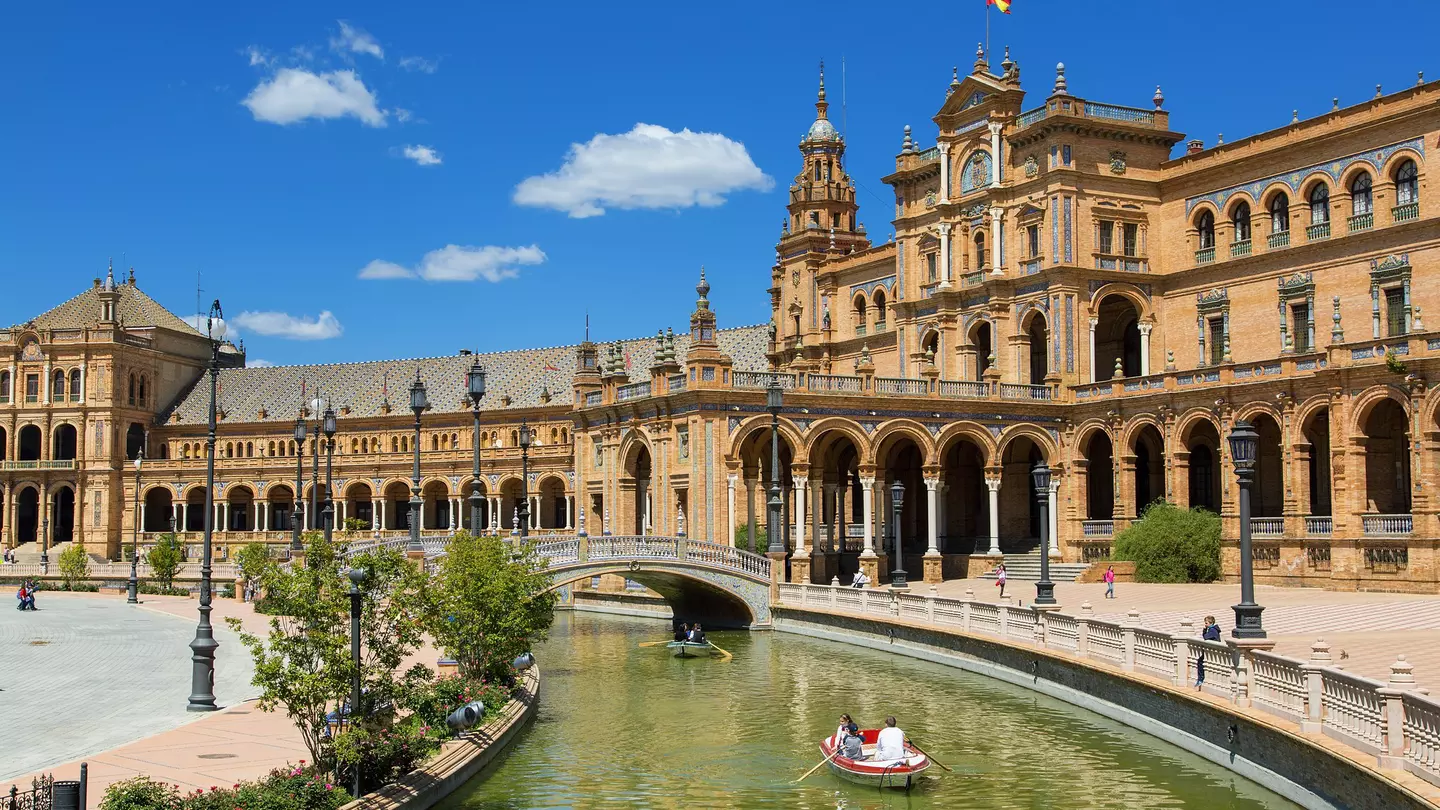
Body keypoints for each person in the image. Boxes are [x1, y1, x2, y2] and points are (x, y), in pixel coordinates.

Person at [1196, 615, 1221, 690]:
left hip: (1212, 651)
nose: (1205, 624)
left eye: (1206, 623)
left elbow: (1206, 637)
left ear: (1211, 623)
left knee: (1200, 661)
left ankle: (1200, 679)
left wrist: (1204, 631)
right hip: (1211, 650)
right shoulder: (1213, 629)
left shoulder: (1212, 630)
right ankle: (1200, 678)